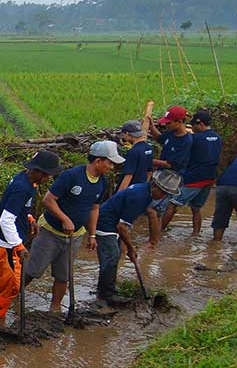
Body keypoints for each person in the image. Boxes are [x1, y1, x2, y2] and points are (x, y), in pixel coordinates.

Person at [0, 150, 62, 322]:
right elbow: (6, 219)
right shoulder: (22, 188)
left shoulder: (27, 182)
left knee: (5, 279)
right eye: (47, 175)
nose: (48, 179)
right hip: (7, 244)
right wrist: (18, 245)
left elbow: (18, 210)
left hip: (8, 240)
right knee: (13, 284)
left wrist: (29, 218)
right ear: (37, 171)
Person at [23, 140, 120, 312]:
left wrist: (92, 235)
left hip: (75, 236)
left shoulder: (102, 182)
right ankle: (10, 296)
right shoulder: (72, 176)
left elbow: (94, 208)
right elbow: (48, 200)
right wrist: (64, 218)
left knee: (63, 276)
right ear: (98, 161)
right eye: (110, 162)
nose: (112, 167)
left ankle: (55, 309)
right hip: (50, 232)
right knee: (33, 271)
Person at [95, 170, 182, 307]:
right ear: (154, 186)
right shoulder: (140, 196)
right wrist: (130, 248)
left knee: (114, 257)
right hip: (105, 224)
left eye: (167, 194)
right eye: (163, 193)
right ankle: (105, 296)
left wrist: (129, 246)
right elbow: (122, 226)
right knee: (111, 257)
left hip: (112, 223)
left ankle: (106, 290)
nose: (164, 196)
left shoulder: (145, 192)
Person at [163, 110, 222, 235]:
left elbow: (183, 149)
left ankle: (157, 232)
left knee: (172, 204)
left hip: (195, 178)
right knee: (196, 208)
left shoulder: (194, 138)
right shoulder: (217, 137)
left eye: (193, 125)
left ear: (200, 124)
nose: (192, 128)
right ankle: (195, 234)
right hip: (210, 178)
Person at [116, 119, 154, 191]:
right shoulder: (149, 148)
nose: (123, 138)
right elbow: (149, 172)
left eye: (123, 135)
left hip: (130, 190)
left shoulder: (133, 151)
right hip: (141, 189)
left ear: (127, 133)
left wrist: (118, 196)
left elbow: (128, 176)